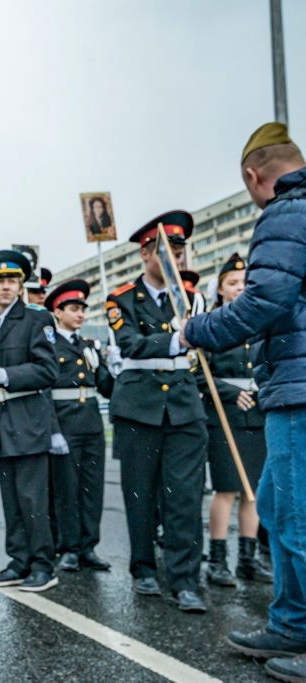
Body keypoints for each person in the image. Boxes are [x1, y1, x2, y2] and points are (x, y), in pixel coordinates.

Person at [181, 122, 306, 679]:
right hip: (291, 383)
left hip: (299, 388)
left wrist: (198, 330)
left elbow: (266, 301)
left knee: (297, 519)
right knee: (278, 511)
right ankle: (291, 622)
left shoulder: (285, 212)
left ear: (254, 176)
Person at [105, 209, 208, 614]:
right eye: (168, 252)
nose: (176, 260)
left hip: (183, 407)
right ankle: (144, 567)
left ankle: (185, 580)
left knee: (184, 497)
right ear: (147, 254)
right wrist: (175, 341)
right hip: (139, 407)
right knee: (140, 493)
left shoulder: (193, 297)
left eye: (180, 253)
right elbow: (129, 343)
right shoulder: (122, 298)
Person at [0, 249, 59, 592]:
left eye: (11, 281)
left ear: (20, 285)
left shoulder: (37, 319)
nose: (6, 287)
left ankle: (42, 565)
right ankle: (18, 560)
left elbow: (48, 370)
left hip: (28, 420)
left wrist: (6, 374)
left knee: (33, 498)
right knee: (11, 498)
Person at [197, 253, 272, 588]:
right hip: (224, 416)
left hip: (257, 415)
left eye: (244, 283)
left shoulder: (260, 323)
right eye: (233, 284)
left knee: (252, 492)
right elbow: (199, 374)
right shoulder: (213, 325)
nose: (240, 289)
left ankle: (247, 559)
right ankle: (217, 561)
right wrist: (228, 393)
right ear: (221, 290)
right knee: (227, 489)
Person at [44, 279, 113, 572]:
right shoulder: (48, 345)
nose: (80, 315)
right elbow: (44, 390)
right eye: (73, 309)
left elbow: (106, 386)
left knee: (92, 488)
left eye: (82, 309)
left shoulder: (89, 346)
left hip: (91, 424)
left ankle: (88, 547)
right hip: (64, 423)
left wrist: (113, 366)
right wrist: (53, 430)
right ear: (57, 312)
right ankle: (68, 547)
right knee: (67, 489)